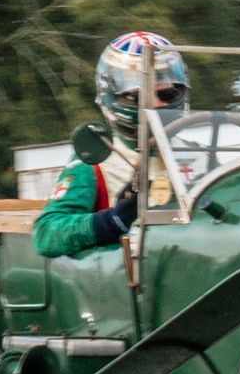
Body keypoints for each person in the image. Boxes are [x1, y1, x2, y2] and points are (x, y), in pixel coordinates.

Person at [33, 31, 189, 260]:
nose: (157, 104)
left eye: (168, 93)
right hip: (130, 281)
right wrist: (111, 220)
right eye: (140, 95)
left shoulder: (202, 153)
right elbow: (46, 233)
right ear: (114, 96)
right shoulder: (96, 159)